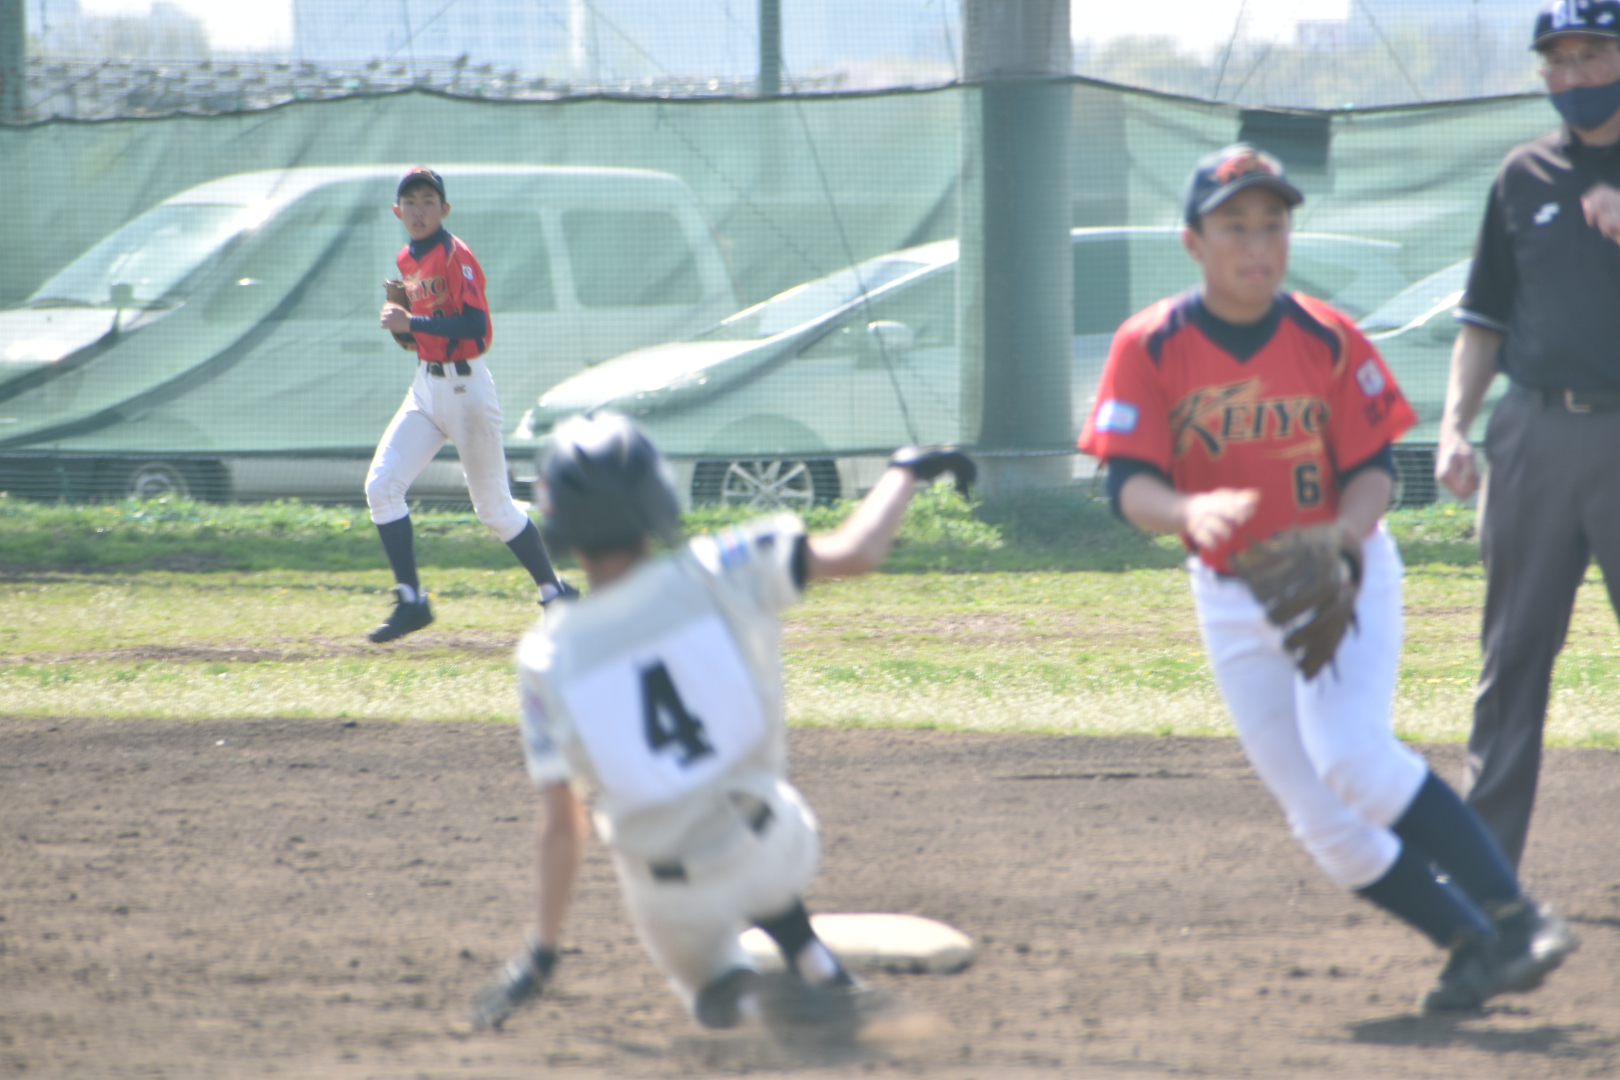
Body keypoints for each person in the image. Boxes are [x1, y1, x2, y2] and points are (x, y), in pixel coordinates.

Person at [1078, 144, 1577, 1013]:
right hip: (1233, 596)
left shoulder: (1325, 335)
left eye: (1272, 224)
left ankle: (1518, 915)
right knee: (1323, 822)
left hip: (1345, 573)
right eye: (1235, 226)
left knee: (1352, 756)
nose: (1257, 244)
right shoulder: (1150, 345)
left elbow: (1374, 470)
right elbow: (1129, 485)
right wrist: (1189, 510)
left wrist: (1342, 539)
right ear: (1193, 243)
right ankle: (1473, 944)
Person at [467, 412, 974, 1036]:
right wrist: (905, 471)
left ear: (559, 519)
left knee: (708, 987)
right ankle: (815, 964)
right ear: (654, 496)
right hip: (774, 841)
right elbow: (858, 551)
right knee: (756, 835)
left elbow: (562, 825)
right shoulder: (720, 567)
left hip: (672, 894)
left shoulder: (547, 656)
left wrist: (542, 951)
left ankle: (760, 1004)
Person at [1437, 0, 1620, 870]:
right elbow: (1484, 318)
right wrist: (1453, 427)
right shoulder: (1523, 175)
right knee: (1511, 659)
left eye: (1593, 55)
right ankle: (1484, 873)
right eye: (1559, 60)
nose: (1574, 75)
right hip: (1534, 435)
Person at [366, 165, 573, 644]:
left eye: (428, 201)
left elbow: (475, 326)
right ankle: (411, 601)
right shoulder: (407, 258)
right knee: (381, 487)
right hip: (426, 387)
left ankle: (554, 593)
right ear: (398, 211)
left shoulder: (456, 255)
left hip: (466, 391)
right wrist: (408, 329)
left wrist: (412, 323)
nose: (419, 210)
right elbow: (420, 333)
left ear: (445, 209)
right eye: (411, 202)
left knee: (494, 508)